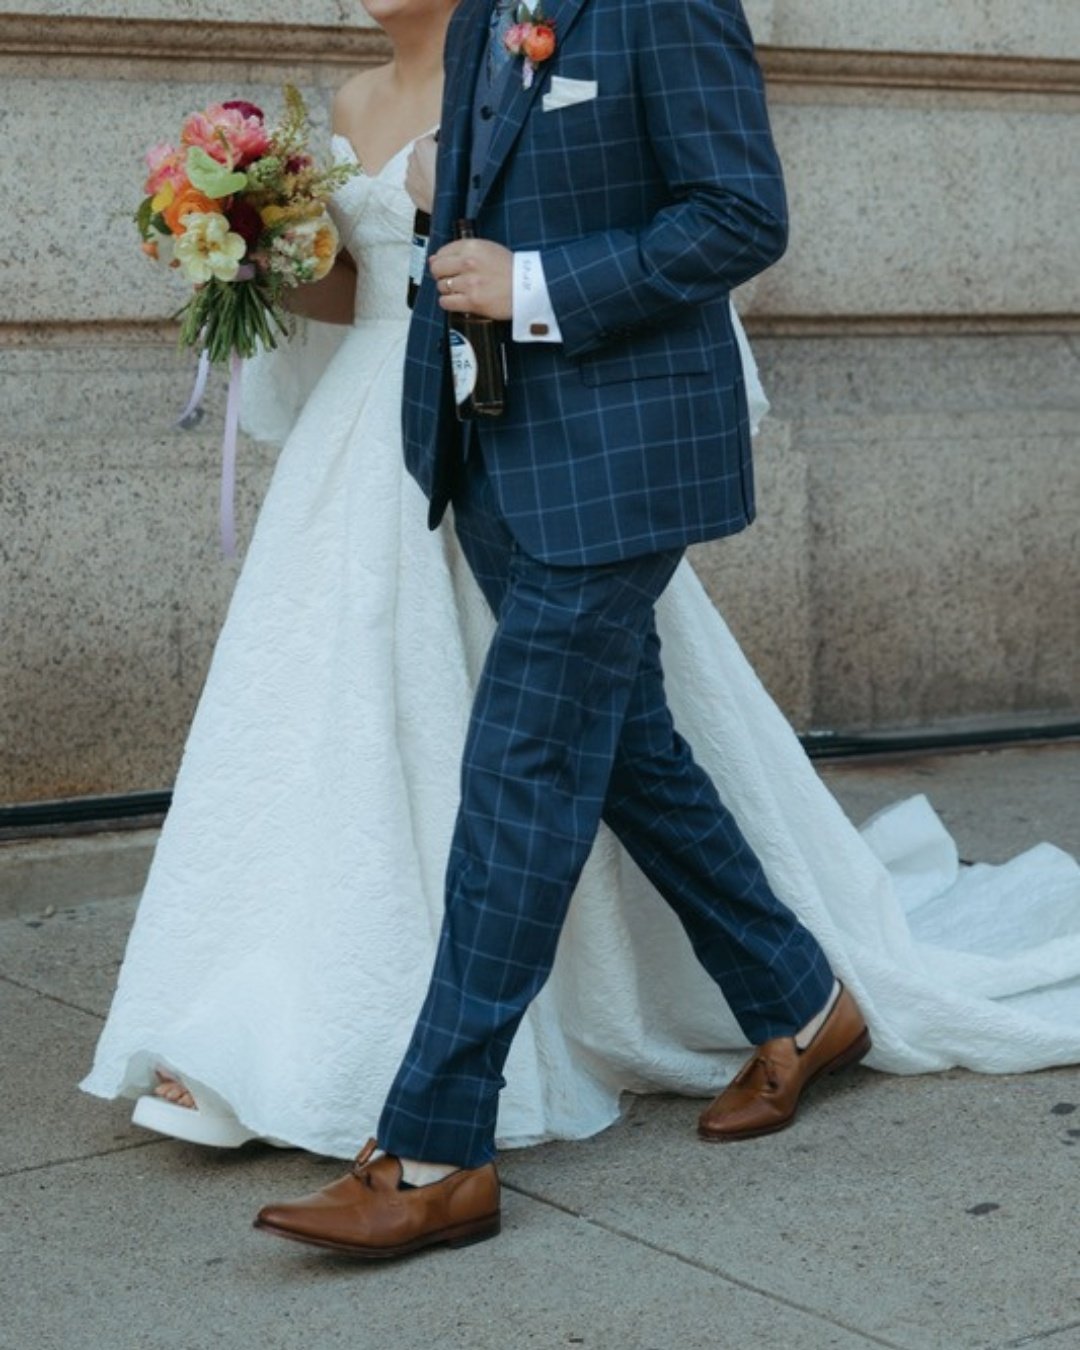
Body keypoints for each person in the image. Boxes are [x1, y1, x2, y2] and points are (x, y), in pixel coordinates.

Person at [83, 0, 1080, 1214]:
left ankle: (435, 1150)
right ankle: (801, 1001)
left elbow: (741, 215)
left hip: (625, 454)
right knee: (630, 750)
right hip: (481, 453)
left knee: (524, 767)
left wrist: (538, 284)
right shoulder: (484, 28)